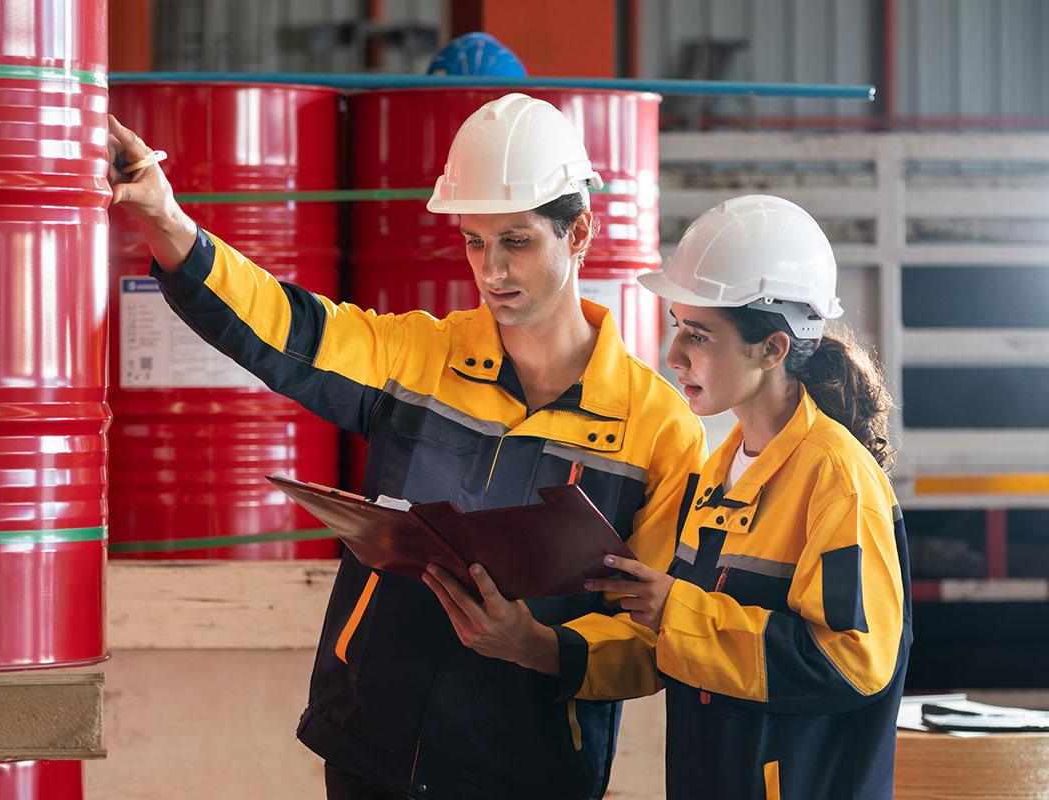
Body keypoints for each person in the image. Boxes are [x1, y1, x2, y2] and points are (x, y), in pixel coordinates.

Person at [107, 93, 705, 800]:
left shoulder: (660, 430)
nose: (492, 271)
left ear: (578, 235)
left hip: (530, 770)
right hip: (376, 751)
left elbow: (655, 632)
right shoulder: (418, 357)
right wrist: (165, 218)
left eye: (516, 241)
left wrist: (538, 646)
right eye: (475, 240)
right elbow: (284, 328)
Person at [428, 194, 912, 799]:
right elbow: (673, 646)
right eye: (677, 328)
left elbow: (855, 662)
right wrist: (538, 644)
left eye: (700, 335)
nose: (674, 355)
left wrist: (677, 610)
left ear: (772, 349)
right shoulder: (717, 474)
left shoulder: (837, 479)